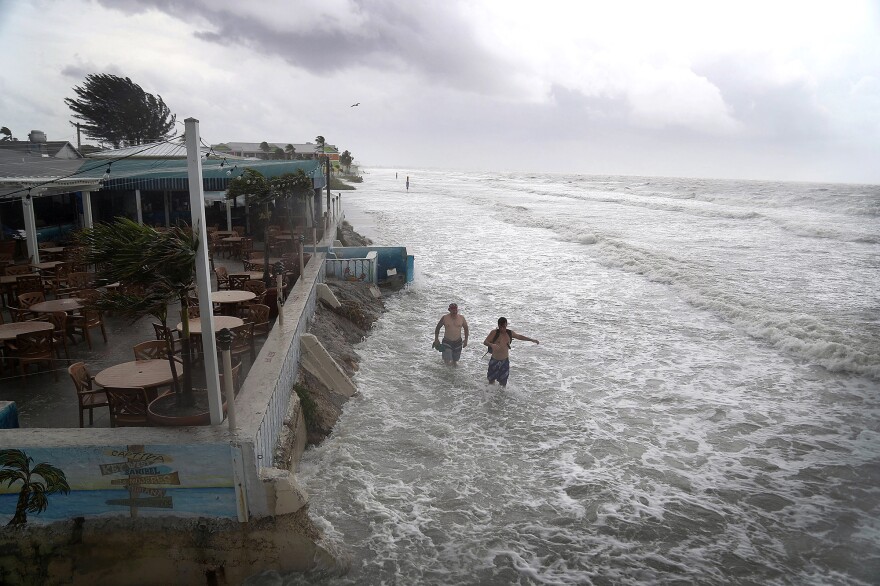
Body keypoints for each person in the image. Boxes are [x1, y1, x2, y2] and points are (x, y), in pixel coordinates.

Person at [483, 317, 539, 387]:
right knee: (491, 381)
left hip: (505, 361)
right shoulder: (494, 333)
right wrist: (491, 344)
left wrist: (531, 340)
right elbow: (485, 342)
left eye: (504, 326)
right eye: (500, 327)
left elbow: (519, 336)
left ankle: (501, 397)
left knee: (503, 384)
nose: (502, 329)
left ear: (506, 325)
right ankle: (490, 396)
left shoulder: (509, 333)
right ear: (498, 325)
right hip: (494, 360)